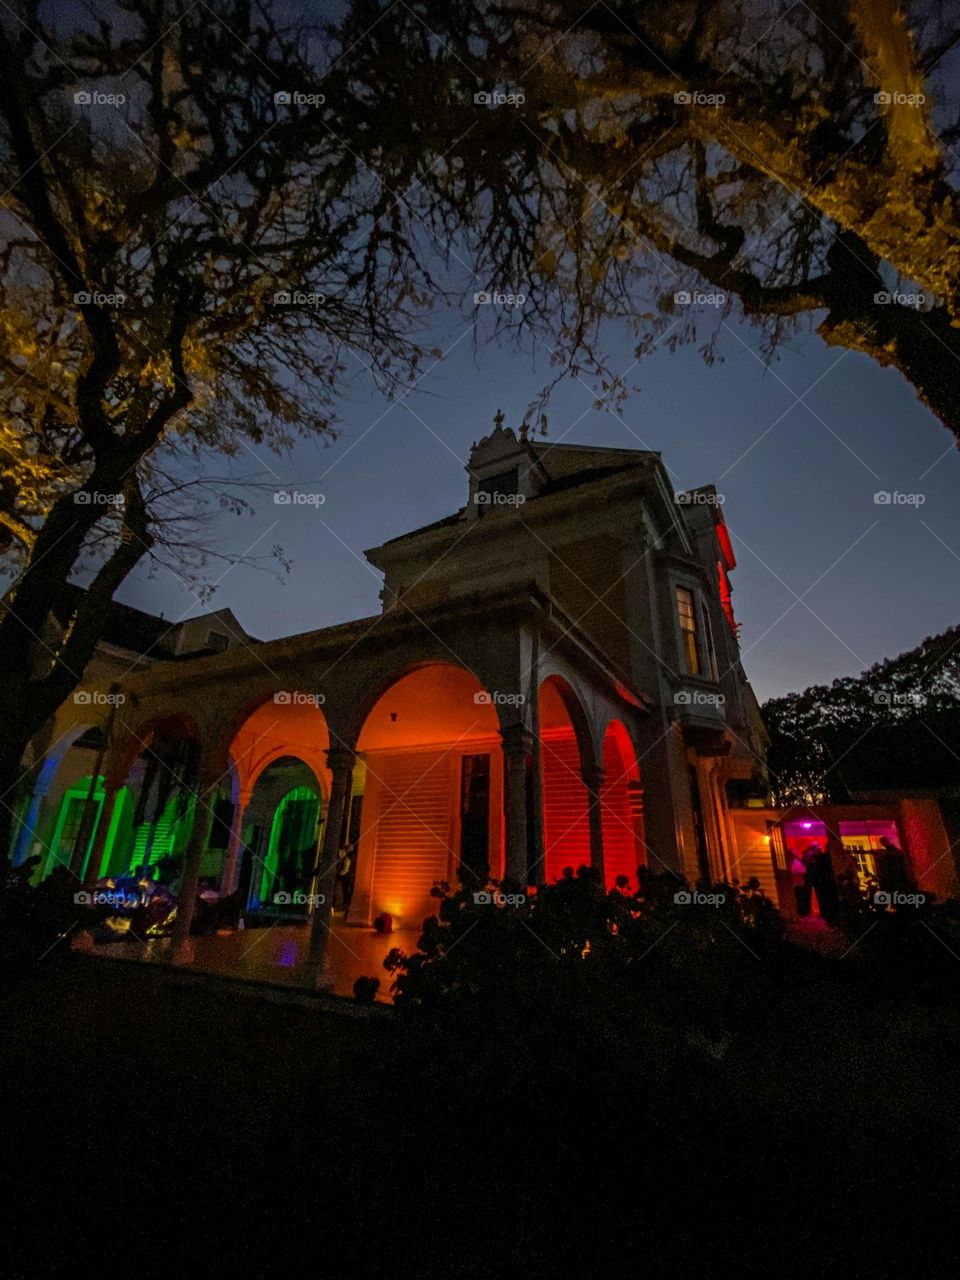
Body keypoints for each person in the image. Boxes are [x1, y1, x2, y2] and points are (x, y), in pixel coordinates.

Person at [805, 842, 840, 925]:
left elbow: (822, 869)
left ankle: (829, 915)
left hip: (824, 882)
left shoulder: (822, 858)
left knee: (825, 898)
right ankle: (826, 914)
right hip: (820, 882)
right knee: (822, 898)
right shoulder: (818, 858)